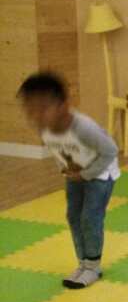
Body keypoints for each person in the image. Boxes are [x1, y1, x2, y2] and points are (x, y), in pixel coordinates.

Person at [18, 72, 120, 289]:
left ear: (63, 105)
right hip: (75, 174)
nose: (36, 115)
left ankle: (93, 266)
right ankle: (83, 263)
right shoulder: (43, 127)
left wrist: (86, 174)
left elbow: (110, 151)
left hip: (100, 174)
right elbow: (59, 149)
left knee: (90, 217)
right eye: (30, 109)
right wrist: (65, 169)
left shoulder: (83, 127)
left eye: (42, 108)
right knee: (73, 216)